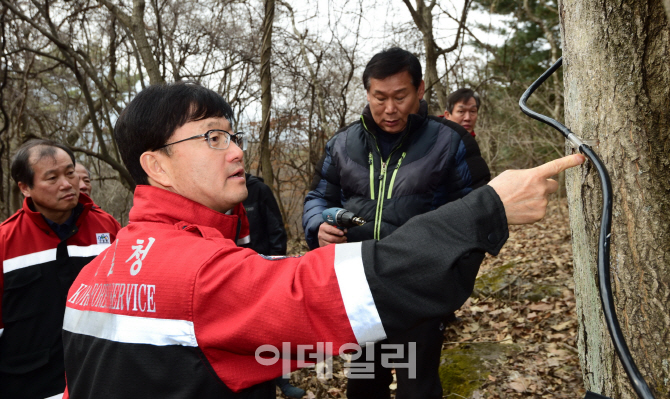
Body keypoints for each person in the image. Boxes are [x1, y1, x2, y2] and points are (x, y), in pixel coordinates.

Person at [61, 81, 584, 399]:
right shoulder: (198, 273)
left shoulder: (96, 274)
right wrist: (485, 209)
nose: (237, 152)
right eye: (212, 138)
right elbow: (333, 293)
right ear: (156, 165)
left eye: (233, 135)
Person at [302, 48, 489, 399]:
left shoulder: (450, 141)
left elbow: (479, 209)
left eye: (400, 96)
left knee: (417, 387)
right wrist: (319, 225)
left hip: (421, 292)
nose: (390, 109)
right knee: (363, 384)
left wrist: (450, 279)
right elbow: (318, 199)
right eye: (380, 97)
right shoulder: (342, 143)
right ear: (368, 93)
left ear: (419, 91)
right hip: (359, 289)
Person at [0, 139, 121, 399]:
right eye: (52, 178)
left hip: (98, 377)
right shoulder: (5, 242)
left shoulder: (107, 228)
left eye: (70, 173)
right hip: (31, 384)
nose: (67, 184)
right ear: (25, 187)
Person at [242, 173, 304, 398]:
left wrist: (274, 266)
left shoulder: (258, 191)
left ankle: (282, 381)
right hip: (235, 275)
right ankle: (257, 382)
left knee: (273, 329)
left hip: (264, 271)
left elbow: (276, 230)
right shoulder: (212, 192)